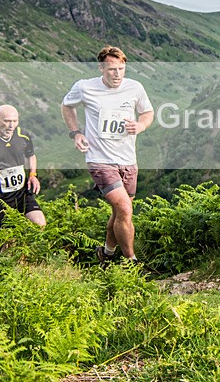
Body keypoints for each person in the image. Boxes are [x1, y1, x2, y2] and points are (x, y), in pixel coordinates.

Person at [61, 46, 153, 264]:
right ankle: (131, 261)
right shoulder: (85, 87)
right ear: (101, 68)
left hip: (128, 159)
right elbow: (66, 106)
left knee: (121, 212)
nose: (117, 74)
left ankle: (107, 254)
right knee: (124, 207)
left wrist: (140, 125)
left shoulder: (135, 87)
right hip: (99, 159)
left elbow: (147, 112)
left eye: (121, 69)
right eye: (112, 69)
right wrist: (75, 133)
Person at [0, 105, 46, 231]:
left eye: (15, 121)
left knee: (39, 223)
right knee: (6, 239)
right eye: (7, 121)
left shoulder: (23, 136)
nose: (11, 125)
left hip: (21, 193)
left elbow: (31, 156)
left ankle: (31, 250)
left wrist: (32, 175)